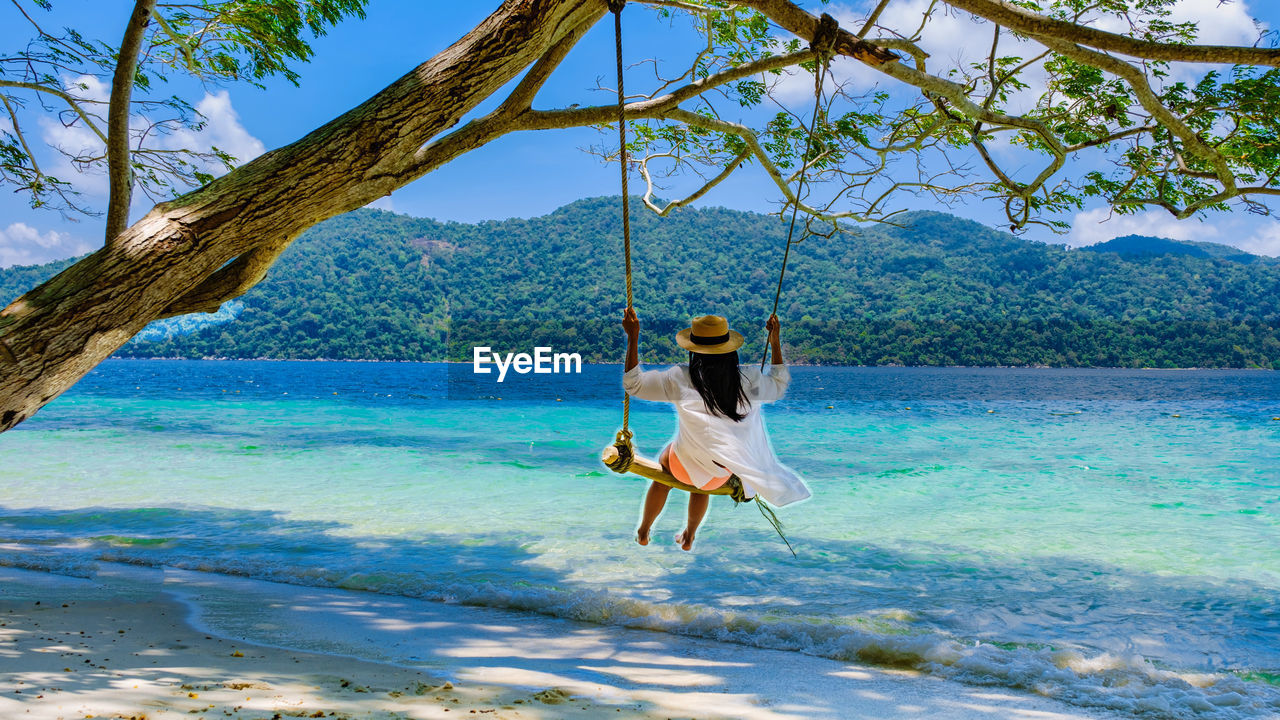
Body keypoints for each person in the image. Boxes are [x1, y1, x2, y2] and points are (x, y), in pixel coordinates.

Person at [621, 308, 809, 550]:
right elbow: (779, 385)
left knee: (665, 468)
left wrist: (633, 336)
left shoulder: (678, 378)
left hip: (681, 467)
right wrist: (775, 342)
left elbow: (633, 385)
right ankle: (689, 535)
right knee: (705, 476)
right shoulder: (748, 380)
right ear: (729, 348)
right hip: (719, 475)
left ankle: (644, 530)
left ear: (692, 350)